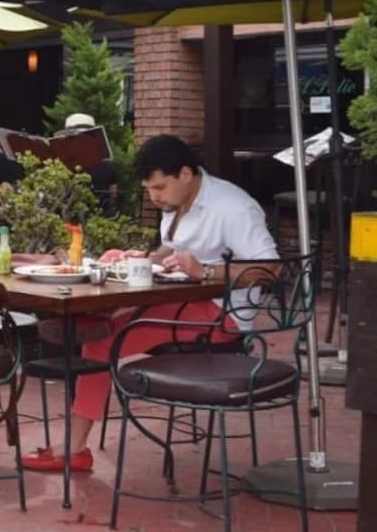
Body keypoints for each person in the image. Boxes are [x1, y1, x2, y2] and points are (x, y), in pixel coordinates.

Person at [21, 134, 279, 473]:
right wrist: (144, 257)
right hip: (182, 301)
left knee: (101, 339)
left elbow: (271, 269)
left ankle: (74, 449)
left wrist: (208, 271)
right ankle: (75, 328)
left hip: (221, 316)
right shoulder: (178, 203)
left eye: (159, 188)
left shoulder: (233, 208)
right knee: (98, 314)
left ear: (186, 174)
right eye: (149, 189)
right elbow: (171, 249)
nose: (154, 197)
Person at [59, 112, 117, 214]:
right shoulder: (107, 163)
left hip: (71, 217)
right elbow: (113, 195)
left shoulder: (62, 165)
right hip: (102, 219)